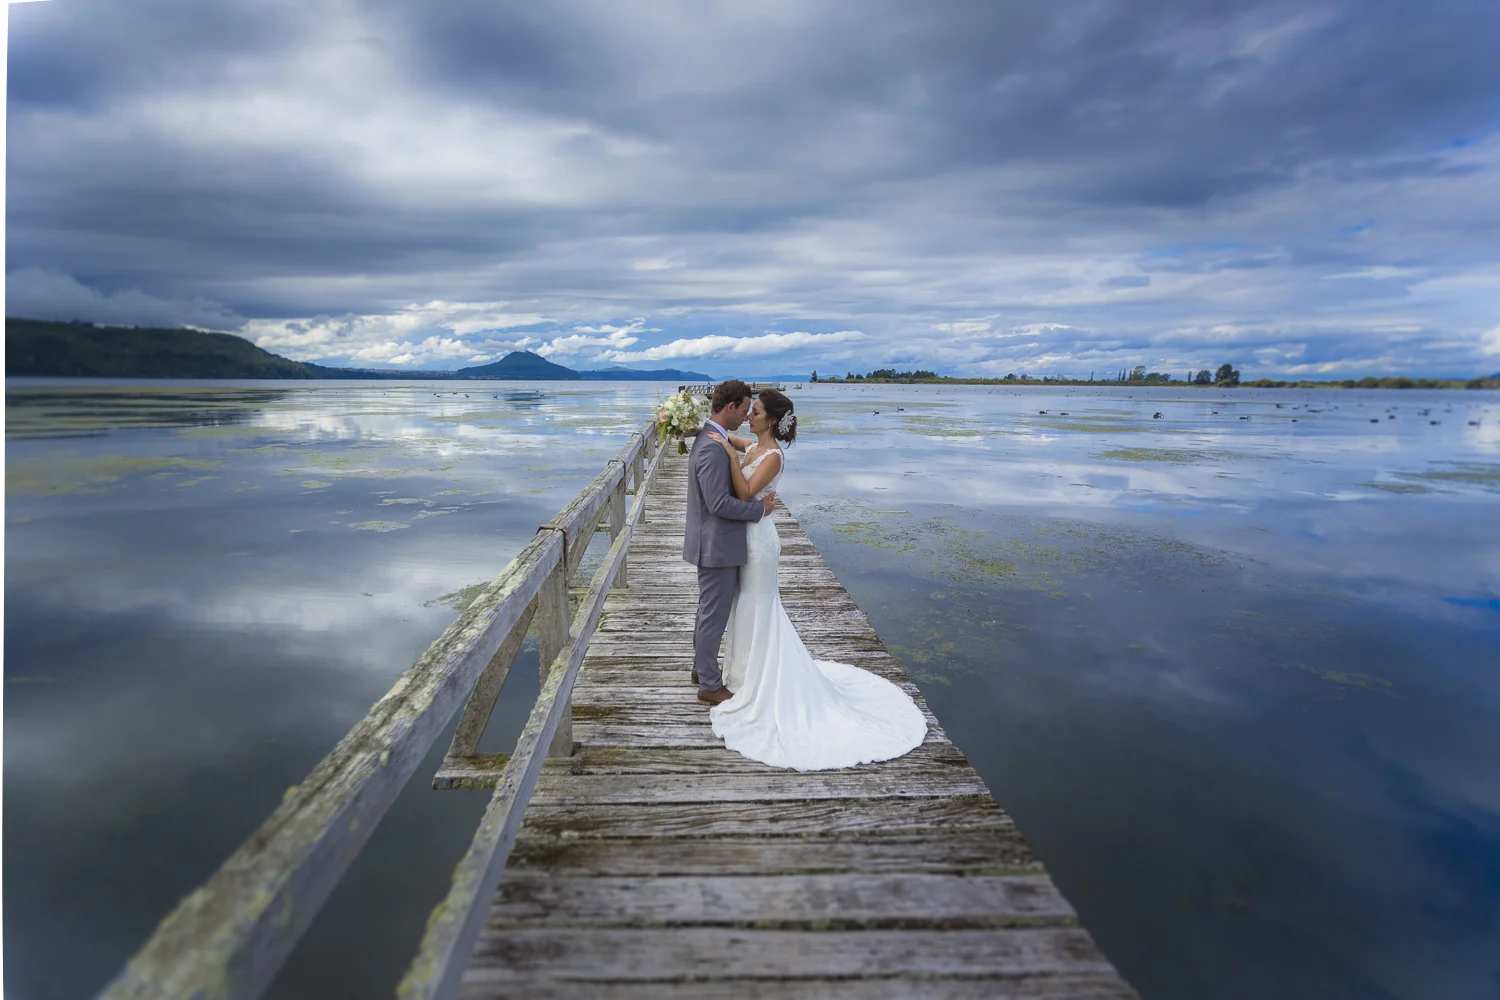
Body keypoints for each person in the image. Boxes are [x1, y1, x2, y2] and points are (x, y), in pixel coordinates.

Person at [703, 389, 926, 770]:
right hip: (746, 538)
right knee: (745, 604)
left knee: (758, 603)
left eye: (756, 412)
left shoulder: (773, 457)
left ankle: (761, 679)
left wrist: (727, 454)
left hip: (760, 543)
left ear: (772, 420)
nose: (749, 416)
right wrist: (707, 432)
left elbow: (745, 491)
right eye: (749, 411)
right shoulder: (754, 446)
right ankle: (742, 675)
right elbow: (731, 437)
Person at [683, 380, 777, 705]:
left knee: (707, 611)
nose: (746, 417)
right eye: (745, 410)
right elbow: (719, 504)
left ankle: (701, 668)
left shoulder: (713, 437)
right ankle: (710, 686)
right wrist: (759, 510)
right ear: (730, 407)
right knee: (713, 616)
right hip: (716, 545)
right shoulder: (712, 447)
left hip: (712, 541)